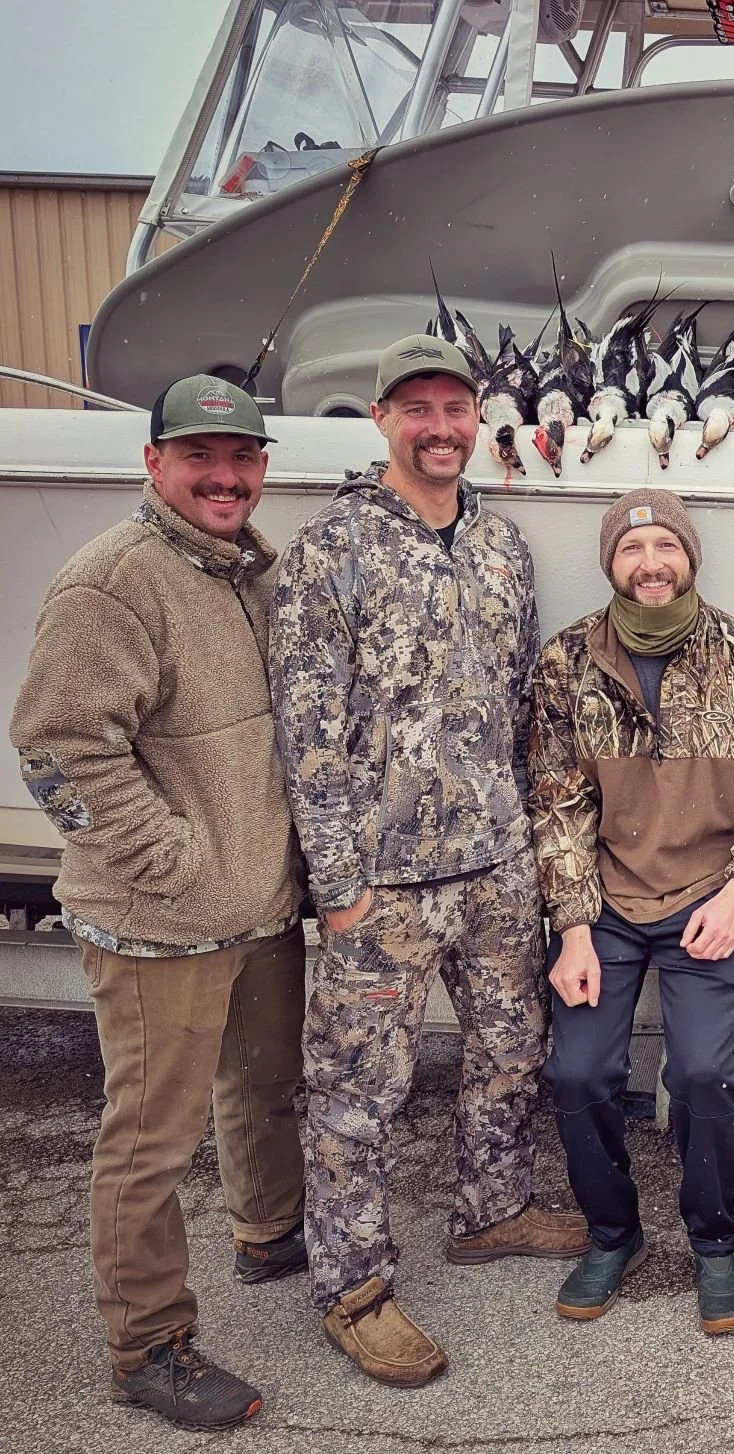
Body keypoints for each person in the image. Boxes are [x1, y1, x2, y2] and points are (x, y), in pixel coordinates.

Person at [271, 335, 587, 1388]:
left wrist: (537, 859)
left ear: (476, 418)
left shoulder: (503, 548)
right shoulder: (332, 548)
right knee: (357, 1090)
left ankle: (489, 1208)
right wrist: (338, 887)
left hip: (495, 863)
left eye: (456, 408)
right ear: (381, 418)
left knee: (510, 1047)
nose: (440, 426)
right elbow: (307, 735)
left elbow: (519, 713)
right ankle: (354, 1289)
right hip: (384, 879)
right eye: (418, 409)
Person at [9, 376, 306, 1430]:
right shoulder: (114, 582)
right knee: (150, 1137)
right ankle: (147, 1345)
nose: (225, 476)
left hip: (260, 901)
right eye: (199, 456)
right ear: (154, 462)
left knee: (264, 1083)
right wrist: (169, 856)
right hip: (159, 917)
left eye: (242, 456)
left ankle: (269, 1233)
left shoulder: (247, 569)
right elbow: (54, 740)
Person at [530, 487, 734, 1333]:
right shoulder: (566, 663)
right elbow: (555, 804)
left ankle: (715, 1244)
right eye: (630, 549)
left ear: (689, 557)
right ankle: (612, 1234)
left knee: (700, 1075)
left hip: (711, 900)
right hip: (606, 909)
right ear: (610, 563)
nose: (649, 564)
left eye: (664, 548)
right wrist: (574, 930)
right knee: (577, 1072)